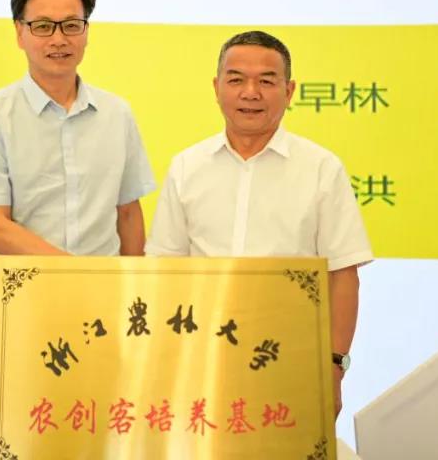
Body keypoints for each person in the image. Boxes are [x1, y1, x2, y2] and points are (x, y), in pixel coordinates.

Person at [0, 0, 156, 433]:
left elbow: (128, 213)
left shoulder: (117, 114)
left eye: (71, 25)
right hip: (19, 305)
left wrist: (134, 293)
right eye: (43, 26)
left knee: (106, 433)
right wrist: (78, 278)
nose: (59, 39)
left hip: (106, 309)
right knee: (17, 437)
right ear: (20, 33)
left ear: (86, 32)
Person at [145, 30, 372, 417]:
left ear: (289, 91)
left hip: (291, 361)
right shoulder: (187, 166)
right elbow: (165, 269)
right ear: (217, 88)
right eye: (236, 80)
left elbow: (343, 275)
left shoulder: (321, 168)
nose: (250, 93)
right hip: (200, 359)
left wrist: (334, 367)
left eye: (266, 81)